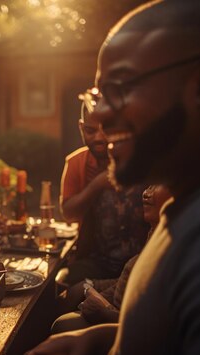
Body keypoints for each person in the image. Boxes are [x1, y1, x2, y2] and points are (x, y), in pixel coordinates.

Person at [26, 1, 200, 355]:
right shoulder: (190, 209)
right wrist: (103, 340)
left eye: (120, 87)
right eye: (98, 95)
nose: (102, 116)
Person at [52, 185, 172, 333]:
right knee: (66, 296)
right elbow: (126, 281)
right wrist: (90, 286)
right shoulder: (155, 231)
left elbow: (154, 324)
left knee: (62, 325)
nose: (146, 193)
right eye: (149, 186)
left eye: (157, 185)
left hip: (122, 326)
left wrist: (107, 313)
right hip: (113, 307)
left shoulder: (172, 248)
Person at [58, 99, 150, 285]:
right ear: (81, 128)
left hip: (143, 259)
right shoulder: (77, 162)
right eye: (91, 131)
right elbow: (68, 214)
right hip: (99, 261)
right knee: (60, 280)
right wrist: (96, 185)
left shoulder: (141, 158)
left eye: (105, 130)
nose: (99, 138)